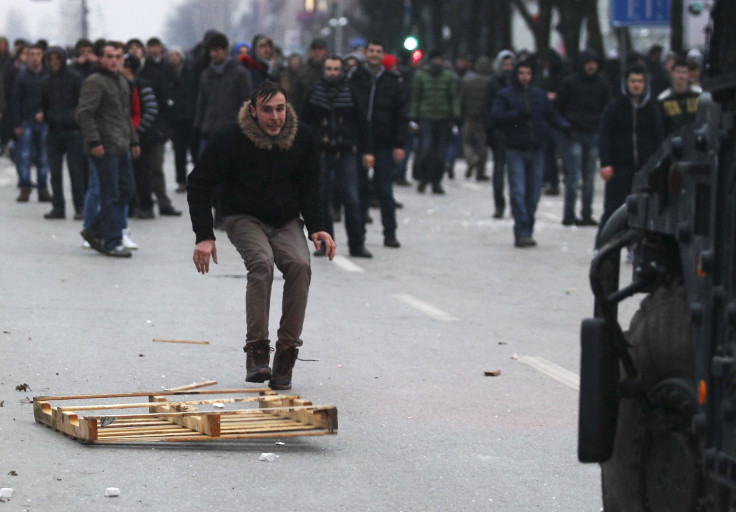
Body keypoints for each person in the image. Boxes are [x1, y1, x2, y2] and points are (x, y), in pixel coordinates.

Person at [187, 81, 335, 390]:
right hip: (243, 216)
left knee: (299, 264)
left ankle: (286, 353)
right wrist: (204, 235)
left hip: (285, 219)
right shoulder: (230, 139)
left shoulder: (301, 136)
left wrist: (319, 225)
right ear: (253, 111)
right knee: (262, 264)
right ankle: (257, 350)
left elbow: (311, 186)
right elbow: (198, 184)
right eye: (267, 110)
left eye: (280, 109)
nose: (275, 117)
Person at [491, 60, 570, 248]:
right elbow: (496, 117)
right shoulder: (505, 95)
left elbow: (551, 115)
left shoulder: (538, 96)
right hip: (515, 149)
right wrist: (516, 115)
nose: (525, 77)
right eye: (521, 73)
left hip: (536, 150)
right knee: (518, 192)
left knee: (533, 194)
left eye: (528, 73)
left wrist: (565, 126)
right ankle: (522, 230)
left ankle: (528, 226)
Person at [301, 55, 373, 258]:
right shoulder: (314, 93)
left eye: (335, 69)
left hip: (346, 152)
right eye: (329, 69)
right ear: (324, 70)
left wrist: (367, 150)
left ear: (341, 70)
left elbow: (363, 123)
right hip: (321, 153)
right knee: (322, 200)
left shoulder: (351, 93)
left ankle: (357, 244)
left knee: (352, 199)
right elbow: (303, 123)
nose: (332, 72)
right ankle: (325, 243)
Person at [76, 41, 140, 258]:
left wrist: (134, 140)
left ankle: (94, 229)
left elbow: (124, 115)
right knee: (110, 194)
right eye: (110, 56)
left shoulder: (121, 81)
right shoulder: (95, 81)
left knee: (127, 189)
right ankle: (112, 242)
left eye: (118, 57)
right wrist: (94, 142)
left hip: (121, 145)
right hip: (104, 147)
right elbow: (84, 113)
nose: (114, 61)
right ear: (101, 59)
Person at [348, 39, 408, 248]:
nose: (374, 54)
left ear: (383, 55)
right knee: (359, 190)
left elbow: (401, 115)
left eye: (378, 51)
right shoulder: (355, 77)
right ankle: (359, 235)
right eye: (371, 50)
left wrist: (399, 144)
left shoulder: (393, 81)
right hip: (360, 143)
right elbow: (349, 111)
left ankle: (390, 233)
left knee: (385, 191)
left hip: (384, 143)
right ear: (365, 53)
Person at [597, 64, 664, 245]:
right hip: (619, 167)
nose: (636, 85)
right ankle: (602, 247)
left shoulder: (651, 109)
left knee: (644, 210)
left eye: (640, 81)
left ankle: (636, 247)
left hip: (644, 169)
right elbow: (604, 136)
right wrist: (606, 163)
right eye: (633, 81)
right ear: (626, 83)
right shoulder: (615, 107)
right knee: (613, 210)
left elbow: (658, 138)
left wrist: (657, 165)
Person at [555, 50, 611, 226]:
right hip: (574, 134)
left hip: (592, 133)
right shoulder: (569, 83)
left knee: (587, 177)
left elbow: (607, 109)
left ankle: (585, 213)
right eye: (588, 62)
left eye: (594, 62)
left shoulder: (602, 85)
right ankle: (570, 214)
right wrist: (566, 127)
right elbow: (558, 108)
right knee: (575, 176)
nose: (591, 65)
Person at [40, 46, 85, 220]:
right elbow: (43, 104)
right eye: (51, 59)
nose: (54, 63)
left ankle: (79, 207)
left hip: (72, 132)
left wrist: (76, 119)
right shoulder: (45, 81)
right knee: (55, 172)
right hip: (53, 131)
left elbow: (81, 101)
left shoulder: (75, 78)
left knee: (76, 171)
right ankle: (58, 207)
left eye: (57, 59)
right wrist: (45, 117)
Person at [410, 49, 460, 194]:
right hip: (426, 117)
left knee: (440, 153)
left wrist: (455, 116)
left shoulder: (448, 77)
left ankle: (436, 181)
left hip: (443, 118)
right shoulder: (421, 76)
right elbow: (416, 97)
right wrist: (414, 117)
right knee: (426, 149)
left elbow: (453, 97)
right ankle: (424, 178)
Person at [11, 43, 51, 203]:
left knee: (43, 158)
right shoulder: (22, 76)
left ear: (42, 56)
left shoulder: (48, 75)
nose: (35, 58)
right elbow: (16, 101)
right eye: (32, 54)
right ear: (27, 57)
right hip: (26, 121)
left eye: (38, 54)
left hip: (44, 122)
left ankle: (43, 188)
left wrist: (47, 114)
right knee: (24, 157)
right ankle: (25, 187)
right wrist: (17, 123)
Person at [483, 50, 516, 219]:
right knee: (499, 171)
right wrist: (491, 130)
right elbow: (487, 109)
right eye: (505, 65)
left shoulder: (519, 84)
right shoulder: (493, 83)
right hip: (499, 133)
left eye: (511, 65)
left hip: (516, 135)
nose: (508, 68)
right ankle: (499, 205)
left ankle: (515, 206)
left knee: (514, 173)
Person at [459, 55, 492, 181]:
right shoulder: (490, 81)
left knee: (467, 141)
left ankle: (471, 159)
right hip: (484, 118)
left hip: (470, 115)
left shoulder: (468, 81)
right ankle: (480, 170)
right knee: (483, 144)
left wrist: (461, 113)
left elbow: (462, 98)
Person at [658, 58, 701, 136]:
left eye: (684, 72)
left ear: (689, 75)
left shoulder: (698, 95)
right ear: (672, 73)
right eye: (678, 72)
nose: (681, 76)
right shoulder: (663, 99)